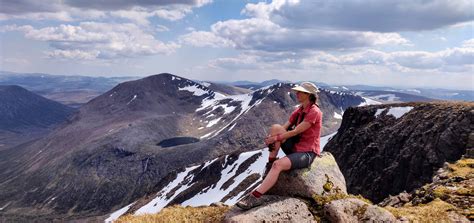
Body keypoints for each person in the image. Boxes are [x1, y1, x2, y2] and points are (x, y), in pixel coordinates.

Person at [236, 82, 323, 210]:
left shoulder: (314, 112)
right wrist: (273, 138)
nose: (297, 94)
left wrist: (275, 138)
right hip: (295, 148)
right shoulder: (299, 110)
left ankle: (255, 197)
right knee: (276, 127)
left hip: (307, 153)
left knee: (279, 165)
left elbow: (296, 131)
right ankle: (270, 163)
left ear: (308, 94)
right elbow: (283, 128)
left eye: (300, 92)